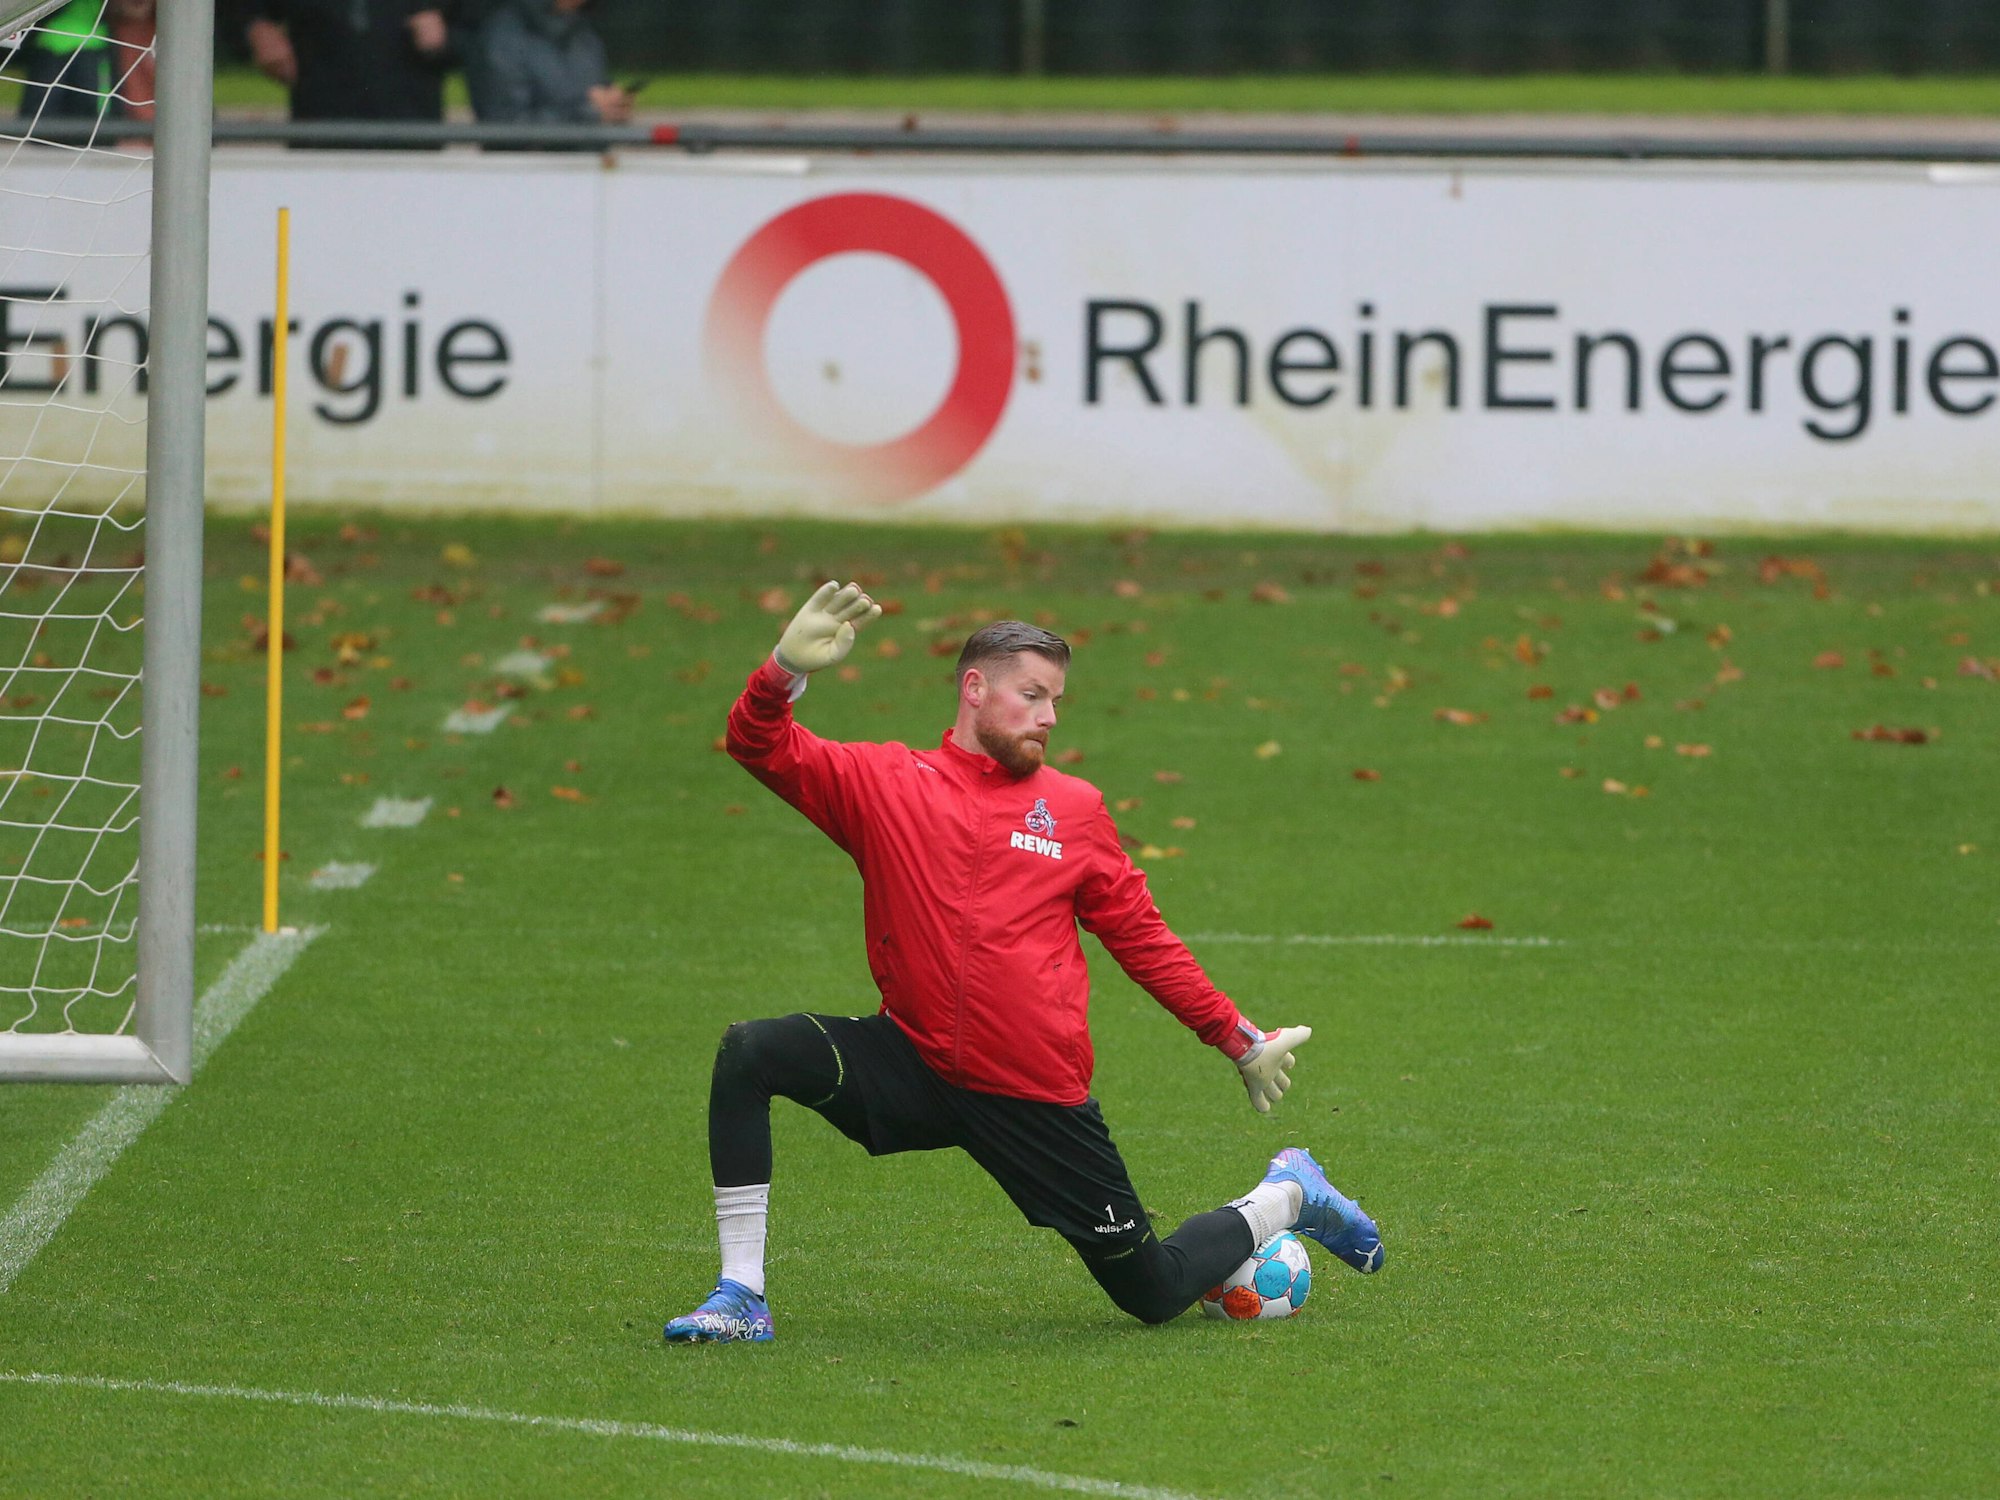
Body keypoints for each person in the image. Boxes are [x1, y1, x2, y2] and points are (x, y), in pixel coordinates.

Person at [664, 584, 1384, 1343]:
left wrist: (1239, 1038)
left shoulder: (1073, 810)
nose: (1049, 716)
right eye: (1032, 694)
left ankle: (1287, 1196)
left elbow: (1141, 936)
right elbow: (759, 745)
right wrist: (781, 672)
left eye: (1056, 699)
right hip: (914, 1060)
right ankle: (741, 1296)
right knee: (753, 1052)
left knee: (1154, 1290)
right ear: (974, 689)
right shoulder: (885, 784)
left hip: (1034, 1093)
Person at [244, 0, 458, 130]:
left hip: (412, 130)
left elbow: (480, 30)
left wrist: (447, 37)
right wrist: (256, 26)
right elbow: (245, 10)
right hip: (319, 126)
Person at [465, 0, 630, 128]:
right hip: (528, 168)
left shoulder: (582, 33)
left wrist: (612, 103)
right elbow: (505, 126)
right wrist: (587, 113)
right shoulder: (504, 37)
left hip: (584, 166)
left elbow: (590, 92)